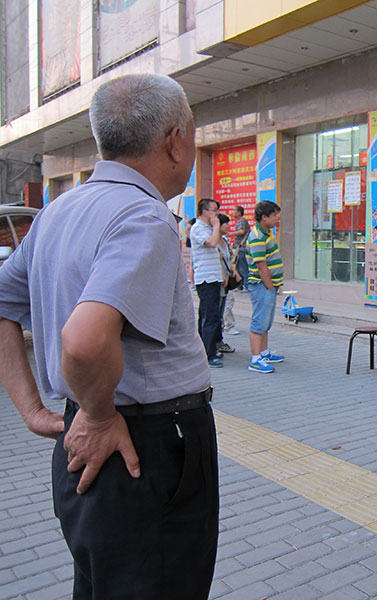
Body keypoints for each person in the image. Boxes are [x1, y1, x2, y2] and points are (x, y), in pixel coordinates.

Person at [0, 73, 218, 599]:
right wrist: (99, 416)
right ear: (175, 140)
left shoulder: (57, 212)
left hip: (87, 442)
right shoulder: (144, 217)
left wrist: (33, 410)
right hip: (140, 445)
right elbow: (84, 340)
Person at [246, 200, 285, 373]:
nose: (277, 218)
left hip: (269, 286)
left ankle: (264, 353)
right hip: (261, 285)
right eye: (274, 215)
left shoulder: (267, 233)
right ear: (264, 217)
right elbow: (261, 266)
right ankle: (255, 360)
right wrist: (270, 286)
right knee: (259, 322)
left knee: (265, 322)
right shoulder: (257, 237)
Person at [191, 198, 225, 367]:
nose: (216, 213)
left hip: (214, 277)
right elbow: (211, 243)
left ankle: (206, 349)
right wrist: (217, 226)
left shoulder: (208, 228)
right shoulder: (198, 228)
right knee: (209, 316)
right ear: (205, 212)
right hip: (206, 278)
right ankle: (207, 354)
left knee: (211, 314)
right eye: (214, 210)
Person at [216, 213, 240, 353]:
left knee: (222, 309)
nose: (229, 226)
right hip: (216, 281)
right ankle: (212, 343)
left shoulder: (224, 241)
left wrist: (234, 271)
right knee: (215, 313)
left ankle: (219, 341)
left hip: (226, 282)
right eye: (226, 223)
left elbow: (230, 258)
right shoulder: (213, 242)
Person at [230, 204, 251, 287]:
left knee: (243, 268)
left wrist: (230, 234)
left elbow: (242, 231)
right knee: (238, 268)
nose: (233, 212)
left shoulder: (242, 220)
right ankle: (240, 286)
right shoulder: (240, 221)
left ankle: (246, 286)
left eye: (234, 210)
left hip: (242, 248)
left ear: (239, 212)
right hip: (239, 248)